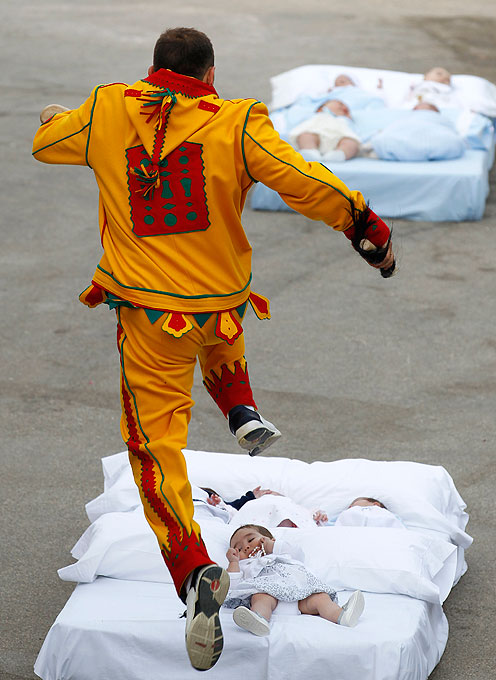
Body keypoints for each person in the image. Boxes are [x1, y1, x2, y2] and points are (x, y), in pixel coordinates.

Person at [32, 27, 394, 671]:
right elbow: (304, 178)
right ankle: (240, 409)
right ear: (210, 72)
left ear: (152, 67)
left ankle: (194, 568)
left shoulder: (106, 107)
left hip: (149, 317)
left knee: (154, 449)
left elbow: (46, 144)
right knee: (219, 326)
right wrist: (364, 226)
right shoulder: (238, 121)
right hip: (220, 307)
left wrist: (57, 117)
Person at [224, 524, 365, 635]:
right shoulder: (244, 565)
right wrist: (233, 563)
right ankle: (259, 618)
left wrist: (270, 545)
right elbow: (232, 586)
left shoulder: (283, 554)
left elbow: (296, 551)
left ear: (270, 539)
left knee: (320, 597)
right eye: (239, 548)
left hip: (301, 594)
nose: (246, 546)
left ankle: (341, 615)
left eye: (250, 540)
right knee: (260, 598)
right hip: (269, 594)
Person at [289, 99, 362, 161]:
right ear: (320, 108)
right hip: (316, 132)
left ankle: (340, 154)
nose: (344, 107)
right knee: (306, 136)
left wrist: (348, 117)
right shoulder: (320, 114)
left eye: (346, 107)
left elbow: (355, 130)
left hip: (340, 136)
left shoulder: (344, 119)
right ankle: (309, 151)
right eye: (340, 104)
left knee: (351, 143)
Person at [326, 497, 405, 528]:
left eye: (353, 504)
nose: (350, 507)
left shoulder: (386, 514)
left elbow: (399, 526)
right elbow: (329, 526)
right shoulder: (345, 514)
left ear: (375, 504)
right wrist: (321, 519)